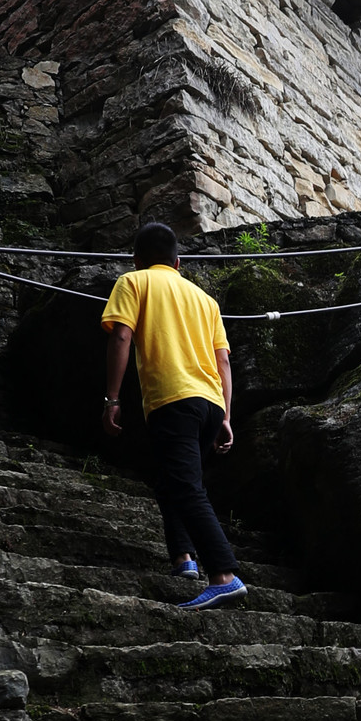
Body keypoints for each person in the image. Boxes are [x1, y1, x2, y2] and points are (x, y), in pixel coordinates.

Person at [100, 221, 247, 608]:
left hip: (173, 399)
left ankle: (224, 574)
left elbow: (121, 336)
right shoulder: (206, 300)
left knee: (185, 486)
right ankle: (183, 558)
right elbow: (224, 363)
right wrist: (227, 417)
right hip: (211, 402)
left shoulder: (134, 282)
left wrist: (112, 399)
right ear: (178, 262)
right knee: (172, 481)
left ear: (137, 260)